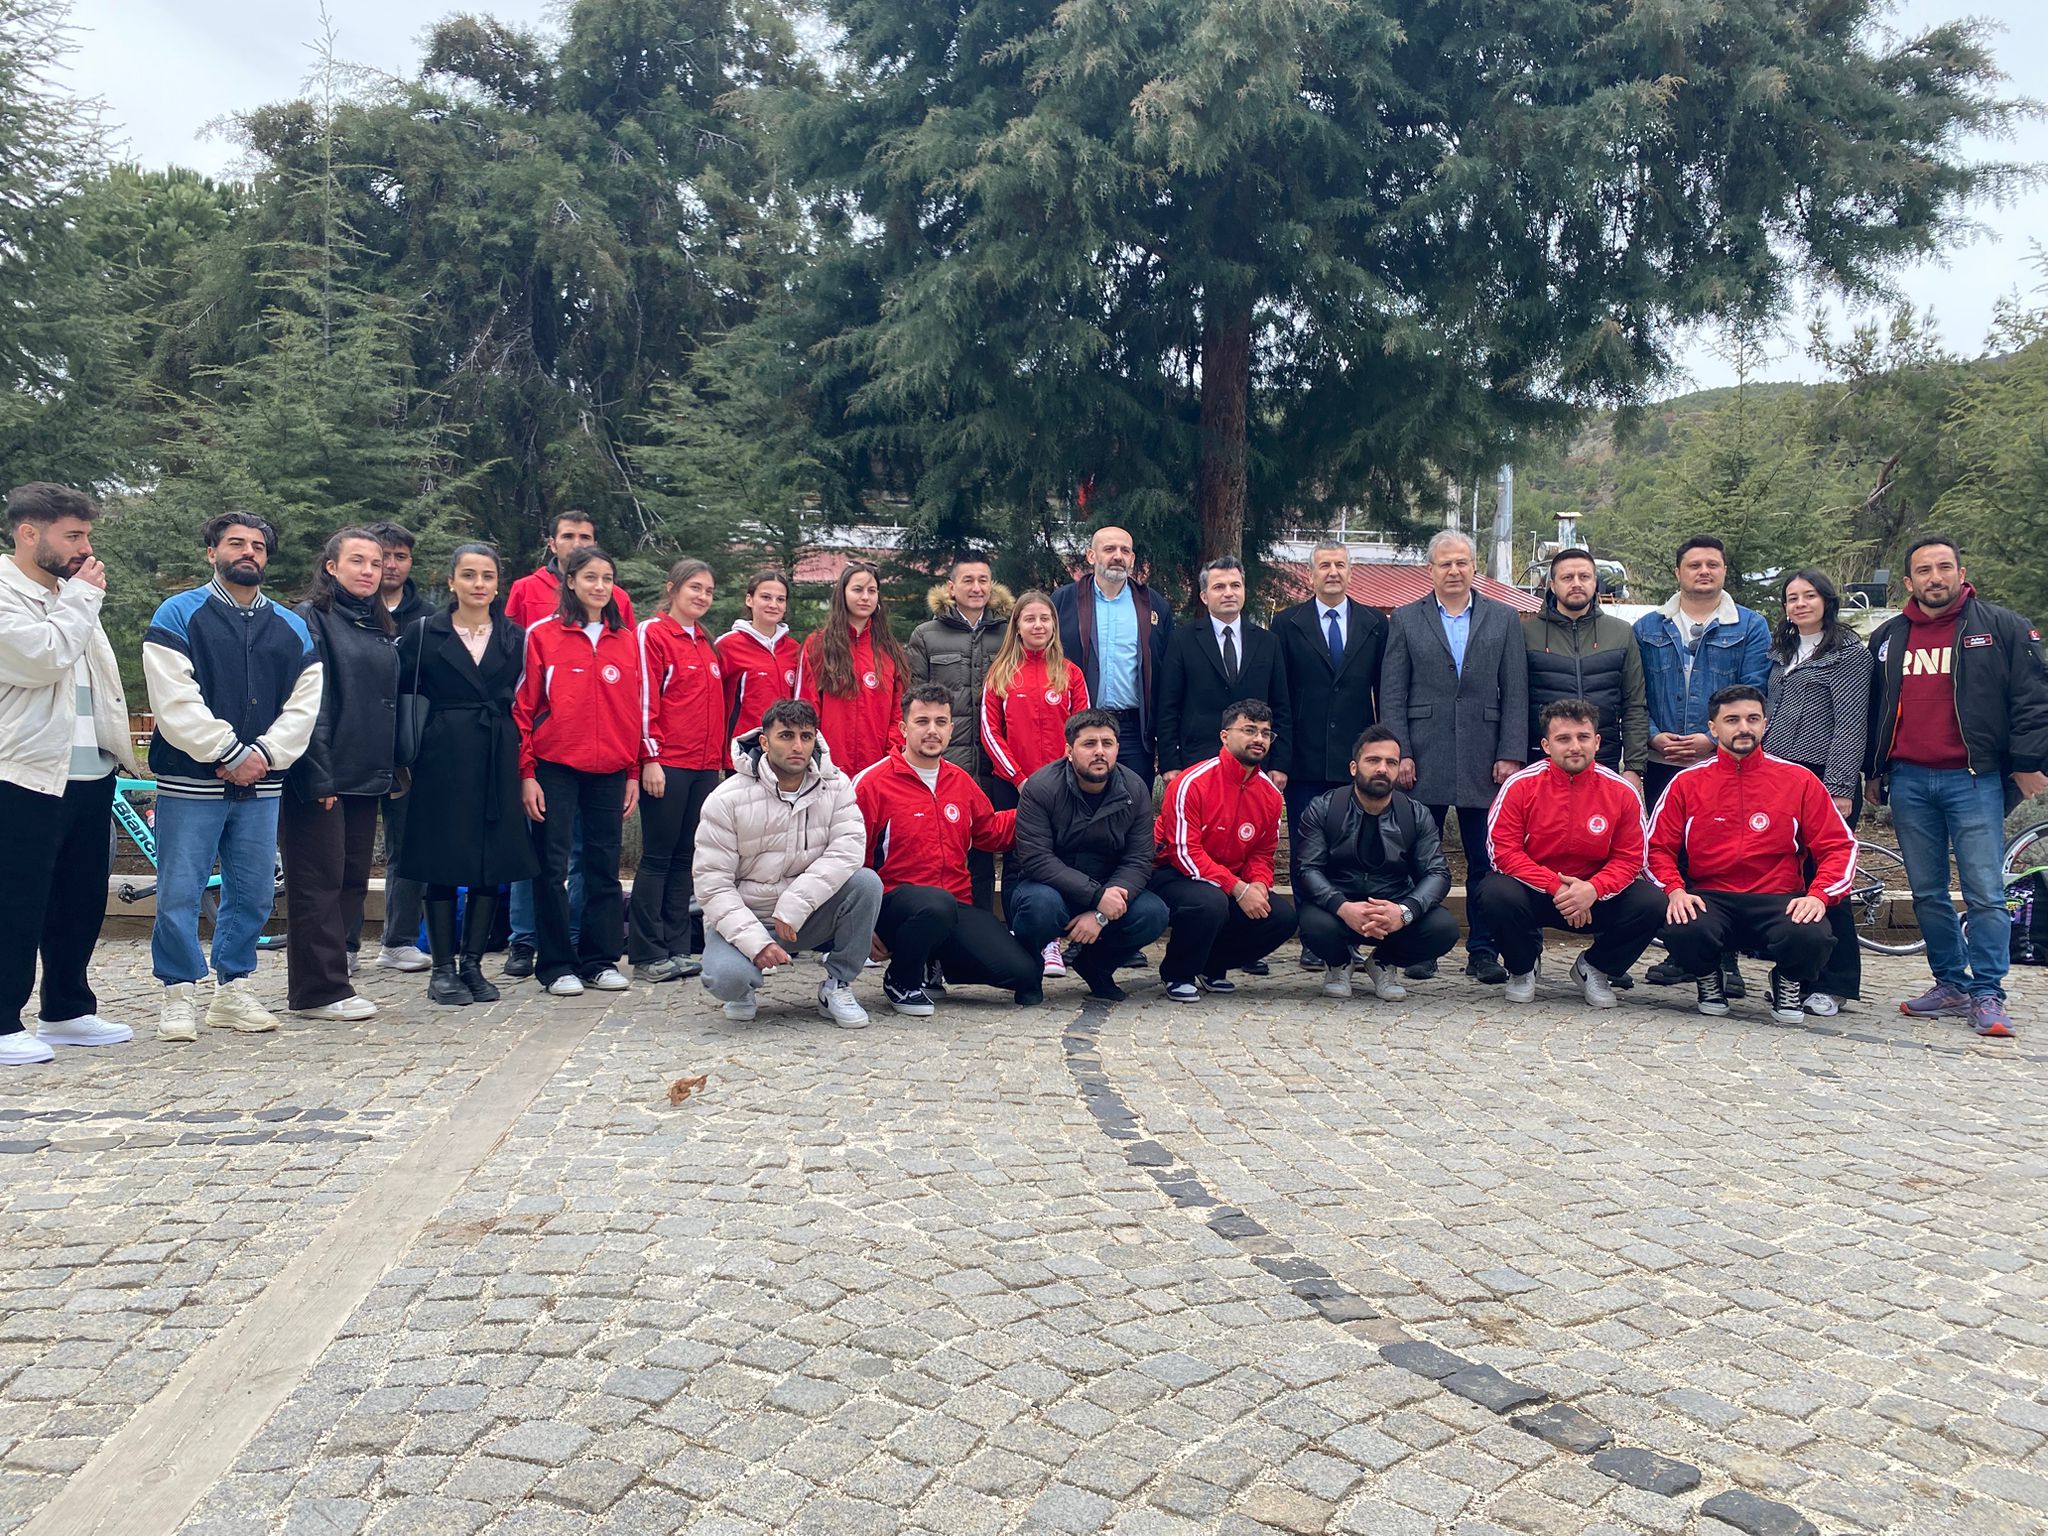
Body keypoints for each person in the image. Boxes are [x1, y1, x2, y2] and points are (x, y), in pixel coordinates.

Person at [143, 513, 321, 1042]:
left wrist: (262, 754)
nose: (248, 552)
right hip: (189, 779)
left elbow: (304, 704)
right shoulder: (179, 614)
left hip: (261, 782)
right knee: (180, 889)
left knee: (255, 891)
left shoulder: (290, 626)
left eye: (258, 546)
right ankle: (178, 992)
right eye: (236, 544)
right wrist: (227, 750)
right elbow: (174, 698)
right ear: (212, 553)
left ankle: (232, 989)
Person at [1866, 535, 2048, 1038]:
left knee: (1984, 891)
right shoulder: (1889, 637)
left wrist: (2027, 762)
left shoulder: (2001, 627)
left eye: (1944, 567)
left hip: (1974, 779)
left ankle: (1988, 991)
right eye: (1924, 570)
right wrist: (1874, 770)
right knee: (1927, 892)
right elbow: (1875, 709)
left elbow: (2033, 700)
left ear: (1961, 574)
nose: (1935, 578)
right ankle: (1950, 982)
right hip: (1909, 779)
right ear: (1909, 582)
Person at [0, 484, 139, 1066]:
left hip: (89, 769)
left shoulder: (70, 593)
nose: (86, 548)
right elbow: (41, 659)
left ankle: (66, 1008)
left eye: (87, 535)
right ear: (29, 533)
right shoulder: (10, 593)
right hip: (23, 771)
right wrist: (82, 597)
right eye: (73, 535)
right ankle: (3, 1020)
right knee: (15, 898)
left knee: (78, 898)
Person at [1649, 686, 1854, 1023]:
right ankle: (1708, 976)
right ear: (1713, 728)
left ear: (1765, 724)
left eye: (1752, 719)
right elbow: (1656, 847)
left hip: (1778, 897)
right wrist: (1674, 890)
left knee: (1812, 933)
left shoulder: (1798, 779)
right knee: (1682, 924)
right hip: (1712, 897)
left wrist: (1819, 896)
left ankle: (1788, 979)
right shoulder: (1686, 782)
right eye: (1732, 720)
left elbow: (1839, 846)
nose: (1743, 728)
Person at [1379, 530, 1529, 983]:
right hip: (1423, 755)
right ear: (1430, 570)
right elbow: (1392, 693)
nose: (1454, 570)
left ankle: (1482, 950)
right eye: (1445, 563)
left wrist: (1510, 752)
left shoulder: (1504, 618)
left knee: (1486, 859)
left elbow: (1516, 691)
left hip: (1486, 757)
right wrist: (1400, 753)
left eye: (1462, 562)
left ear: (1474, 567)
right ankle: (1420, 946)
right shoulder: (1406, 618)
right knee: (1417, 859)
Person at [394, 543, 537, 1006]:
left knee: (490, 862)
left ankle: (473, 964)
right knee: (441, 859)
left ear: (498, 584)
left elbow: (528, 699)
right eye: (470, 575)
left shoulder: (516, 637)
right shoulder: (423, 632)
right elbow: (400, 691)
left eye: (488, 576)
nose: (479, 584)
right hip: (441, 756)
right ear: (451, 581)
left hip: (496, 754)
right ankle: (442, 968)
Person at [500, 510, 635, 975]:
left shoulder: (626, 640)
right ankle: (555, 964)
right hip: (555, 765)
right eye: (590, 578)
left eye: (607, 579)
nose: (600, 586)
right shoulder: (542, 635)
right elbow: (523, 708)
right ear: (571, 582)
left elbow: (636, 709)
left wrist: (633, 770)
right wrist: (527, 773)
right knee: (551, 866)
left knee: (603, 868)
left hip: (611, 768)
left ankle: (599, 960)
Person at [1633, 534, 1771, 990]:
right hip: (1663, 761)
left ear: (1724, 570)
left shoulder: (1750, 626)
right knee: (1669, 854)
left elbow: (1754, 692)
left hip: (1722, 762)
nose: (1704, 571)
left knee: (1720, 857)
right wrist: (1654, 735)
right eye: (1694, 565)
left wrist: (1710, 741)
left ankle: (1725, 959)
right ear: (1678, 572)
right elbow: (1634, 693)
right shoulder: (1649, 627)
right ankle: (1684, 952)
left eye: (1713, 564)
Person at [854, 686, 1039, 1014]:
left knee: (1025, 974)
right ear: (903, 728)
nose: (932, 730)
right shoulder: (872, 783)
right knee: (934, 905)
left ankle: (933, 961)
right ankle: (901, 980)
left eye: (941, 722)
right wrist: (861, 926)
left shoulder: (960, 781)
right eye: (922, 721)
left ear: (951, 729)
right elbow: (850, 860)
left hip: (954, 906)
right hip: (893, 908)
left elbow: (989, 832)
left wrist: (1039, 810)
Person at [695, 700, 879, 1027]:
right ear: (764, 742)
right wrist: (756, 943)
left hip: (806, 916)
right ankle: (743, 987)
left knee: (865, 883)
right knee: (727, 979)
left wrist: (795, 904)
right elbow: (713, 885)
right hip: (748, 916)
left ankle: (837, 984)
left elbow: (848, 850)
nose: (797, 746)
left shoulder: (836, 786)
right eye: (786, 736)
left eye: (806, 737)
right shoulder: (726, 799)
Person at [281, 528, 401, 1021]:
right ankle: (318, 990)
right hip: (323, 775)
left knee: (351, 879)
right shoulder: (312, 618)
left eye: (376, 562)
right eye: (357, 561)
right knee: (318, 881)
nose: (369, 571)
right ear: (331, 566)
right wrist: (319, 775)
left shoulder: (375, 622)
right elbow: (312, 704)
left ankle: (334, 977)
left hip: (364, 772)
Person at [1477, 700, 1665, 1008]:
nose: (1575, 747)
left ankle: (1596, 967)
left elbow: (1631, 858)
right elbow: (1503, 853)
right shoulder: (1519, 786)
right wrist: (1557, 887)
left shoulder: (1622, 791)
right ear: (1546, 745)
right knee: (1494, 891)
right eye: (1563, 739)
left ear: (1597, 742)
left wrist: (1593, 889)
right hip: (1537, 893)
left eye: (1583, 737)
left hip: (1596, 898)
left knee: (1652, 901)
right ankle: (1522, 968)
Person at [1763, 568, 1875, 1016]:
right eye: (1792, 598)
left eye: (1809, 596)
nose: (1800, 604)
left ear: (1827, 600)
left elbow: (1850, 723)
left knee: (1826, 881)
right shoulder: (1782, 653)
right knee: (1791, 877)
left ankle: (1837, 982)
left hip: (1824, 776)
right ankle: (1798, 975)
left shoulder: (1849, 655)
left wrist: (1841, 787)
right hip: (1781, 777)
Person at [1273, 540, 1387, 969]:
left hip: (1355, 758)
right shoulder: (1288, 623)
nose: (1333, 572)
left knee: (1351, 849)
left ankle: (1349, 934)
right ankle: (1313, 937)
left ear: (1351, 572)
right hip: (1303, 757)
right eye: (1324, 565)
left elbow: (1383, 690)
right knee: (1307, 850)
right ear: (1311, 575)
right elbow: (1280, 695)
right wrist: (1280, 760)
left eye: (1340, 564)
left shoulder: (1374, 623)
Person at [1007, 709, 1171, 1001]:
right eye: (1089, 744)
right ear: (1069, 751)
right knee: (1039, 906)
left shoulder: (1135, 789)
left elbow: (1138, 859)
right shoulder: (1041, 787)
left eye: (1107, 744)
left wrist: (1101, 913)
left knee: (1153, 913)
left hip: (1109, 886)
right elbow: (1036, 859)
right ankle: (1029, 974)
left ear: (1117, 748)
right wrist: (1097, 897)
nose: (1099, 752)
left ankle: (1096, 966)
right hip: (1049, 887)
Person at [1295, 725, 1459, 999]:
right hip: (1340, 911)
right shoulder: (1324, 808)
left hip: (1392, 910)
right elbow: (1307, 869)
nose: (1382, 769)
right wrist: (1343, 907)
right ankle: (1340, 963)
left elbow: (1437, 873)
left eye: (1391, 762)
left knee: (1443, 928)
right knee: (1312, 924)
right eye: (1373, 760)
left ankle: (1382, 962)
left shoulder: (1415, 814)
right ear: (1353, 767)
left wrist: (1403, 911)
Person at [1148, 699, 1297, 1001]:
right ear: (1225, 736)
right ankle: (1178, 973)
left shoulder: (1270, 794)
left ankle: (1212, 965)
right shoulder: (1191, 782)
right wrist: (1238, 888)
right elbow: (1184, 853)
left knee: (1281, 917)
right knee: (1210, 902)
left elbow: (1262, 853)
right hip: (1171, 873)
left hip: (1229, 878)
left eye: (1266, 733)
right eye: (1249, 730)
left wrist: (1258, 884)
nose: (1259, 739)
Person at [982, 590, 1091, 975]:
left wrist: (1065, 778)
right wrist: (1019, 778)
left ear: (1054, 625)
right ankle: (1023, 935)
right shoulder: (1000, 673)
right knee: (1017, 861)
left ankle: (1052, 941)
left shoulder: (1070, 673)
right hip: (1016, 786)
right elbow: (990, 732)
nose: (1038, 625)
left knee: (1060, 860)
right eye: (1029, 619)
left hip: (1064, 788)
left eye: (1045, 619)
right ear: (1017, 626)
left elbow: (1083, 730)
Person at [629, 559, 725, 983]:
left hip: (704, 766)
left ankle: (677, 946)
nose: (702, 596)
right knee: (657, 857)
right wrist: (649, 757)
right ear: (672, 588)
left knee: (686, 857)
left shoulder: (706, 642)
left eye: (708, 590)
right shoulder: (653, 633)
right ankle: (648, 953)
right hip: (667, 764)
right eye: (694, 588)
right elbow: (645, 698)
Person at [908, 553, 1011, 911]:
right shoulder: (926, 635)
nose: (976, 587)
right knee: (938, 848)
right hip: (945, 763)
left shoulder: (1008, 633)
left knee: (984, 851)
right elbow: (914, 699)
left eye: (983, 580)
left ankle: (979, 923)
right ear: (952, 588)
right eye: (968, 580)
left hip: (994, 764)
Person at [354, 520, 432, 974]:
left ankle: (399, 940)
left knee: (410, 846)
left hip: (410, 748)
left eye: (400, 556)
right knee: (352, 850)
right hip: (357, 744)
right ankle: (345, 944)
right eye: (383, 556)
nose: (391, 565)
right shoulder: (345, 611)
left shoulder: (429, 617)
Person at [1051, 525, 1175, 781]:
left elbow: (1166, 674)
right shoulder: (1063, 601)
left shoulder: (1153, 605)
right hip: (1078, 724)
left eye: (1125, 551)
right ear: (1091, 556)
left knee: (1132, 798)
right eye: (1109, 549)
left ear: (1132, 559)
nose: (1118, 556)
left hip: (1132, 731)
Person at [1155, 557, 1292, 782]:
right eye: (1219, 587)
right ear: (1204, 596)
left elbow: (1281, 707)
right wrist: (1170, 763)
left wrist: (1280, 763)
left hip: (1255, 763)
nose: (1229, 593)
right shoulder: (1182, 641)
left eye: (1235, 585)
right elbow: (1168, 707)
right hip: (1198, 762)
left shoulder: (1268, 642)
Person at [1522, 548, 1648, 787]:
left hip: (1604, 760)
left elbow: (1634, 704)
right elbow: (1514, 704)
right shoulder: (1527, 633)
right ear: (1552, 585)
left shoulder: (1620, 633)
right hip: (1541, 762)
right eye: (1567, 577)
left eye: (1584, 577)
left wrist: (1634, 767)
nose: (1576, 584)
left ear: (1595, 582)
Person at [796, 561, 907, 776]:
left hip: (878, 770)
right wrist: (817, 757)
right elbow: (806, 707)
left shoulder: (890, 650)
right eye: (857, 590)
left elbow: (899, 712)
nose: (865, 597)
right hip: (828, 769)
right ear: (842, 593)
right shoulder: (817, 645)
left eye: (872, 591)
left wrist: (890, 759)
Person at [504, 509, 638, 629]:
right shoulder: (525, 590)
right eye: (568, 536)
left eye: (585, 537)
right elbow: (510, 642)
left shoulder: (617, 597)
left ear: (595, 546)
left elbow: (628, 644)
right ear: (553, 545)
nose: (577, 544)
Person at [718, 568, 800, 744]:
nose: (773, 605)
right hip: (742, 748)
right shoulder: (727, 646)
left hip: (785, 749)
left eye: (780, 599)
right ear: (749, 600)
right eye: (766, 597)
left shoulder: (795, 650)